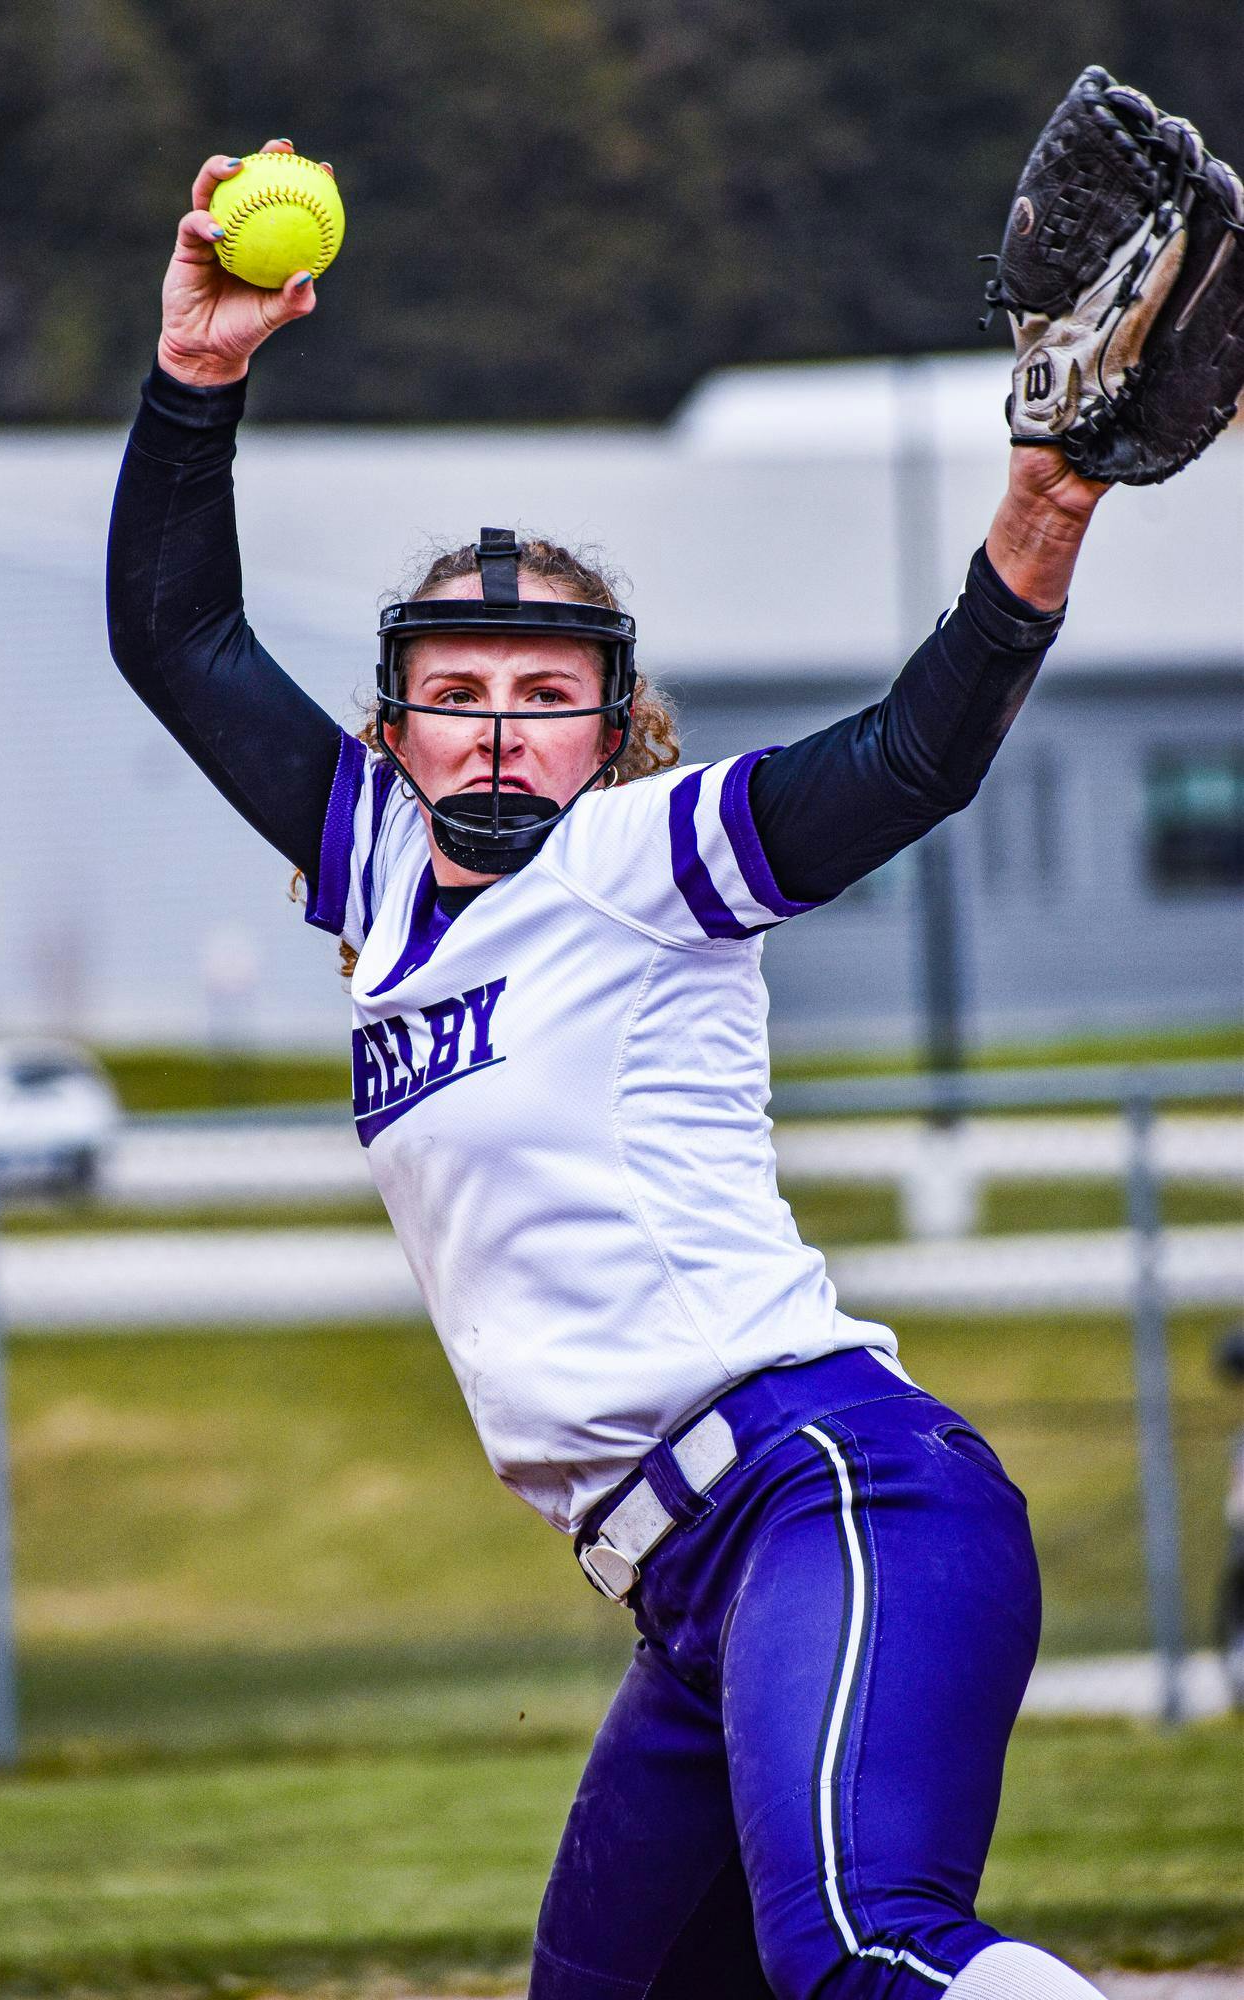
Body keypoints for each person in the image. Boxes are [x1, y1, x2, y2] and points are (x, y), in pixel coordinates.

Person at [108, 138, 1120, 2000]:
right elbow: (174, 635)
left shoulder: (638, 862)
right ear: (397, 726)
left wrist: (1039, 519)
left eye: (547, 694)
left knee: (867, 1962)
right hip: (689, 1602)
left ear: (612, 724)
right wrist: (196, 374)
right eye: (459, 693)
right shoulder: (386, 874)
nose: (501, 732)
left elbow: (908, 760)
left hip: (831, 1497)